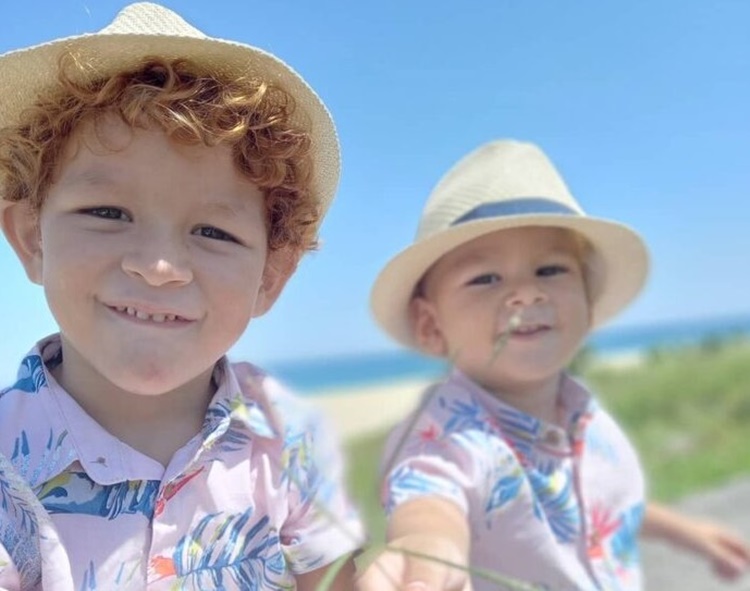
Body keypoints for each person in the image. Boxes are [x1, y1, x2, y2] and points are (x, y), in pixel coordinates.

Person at [0, 3, 363, 590]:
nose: (159, 267)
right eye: (107, 212)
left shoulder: (285, 436)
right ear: (31, 239)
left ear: (272, 275)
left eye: (214, 232)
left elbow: (337, 579)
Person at [356, 139, 750, 590]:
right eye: (485, 278)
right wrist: (426, 549)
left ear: (587, 297)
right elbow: (430, 503)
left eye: (551, 270)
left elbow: (598, 503)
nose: (526, 294)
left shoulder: (584, 412)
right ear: (430, 324)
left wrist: (689, 533)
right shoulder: (445, 437)